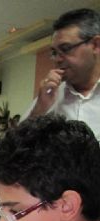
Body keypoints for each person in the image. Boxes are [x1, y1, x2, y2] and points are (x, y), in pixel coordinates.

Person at [22, 8, 100, 140]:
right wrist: (39, 109)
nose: (57, 59)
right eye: (54, 52)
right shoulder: (48, 98)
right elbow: (16, 147)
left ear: (96, 45)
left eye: (66, 49)